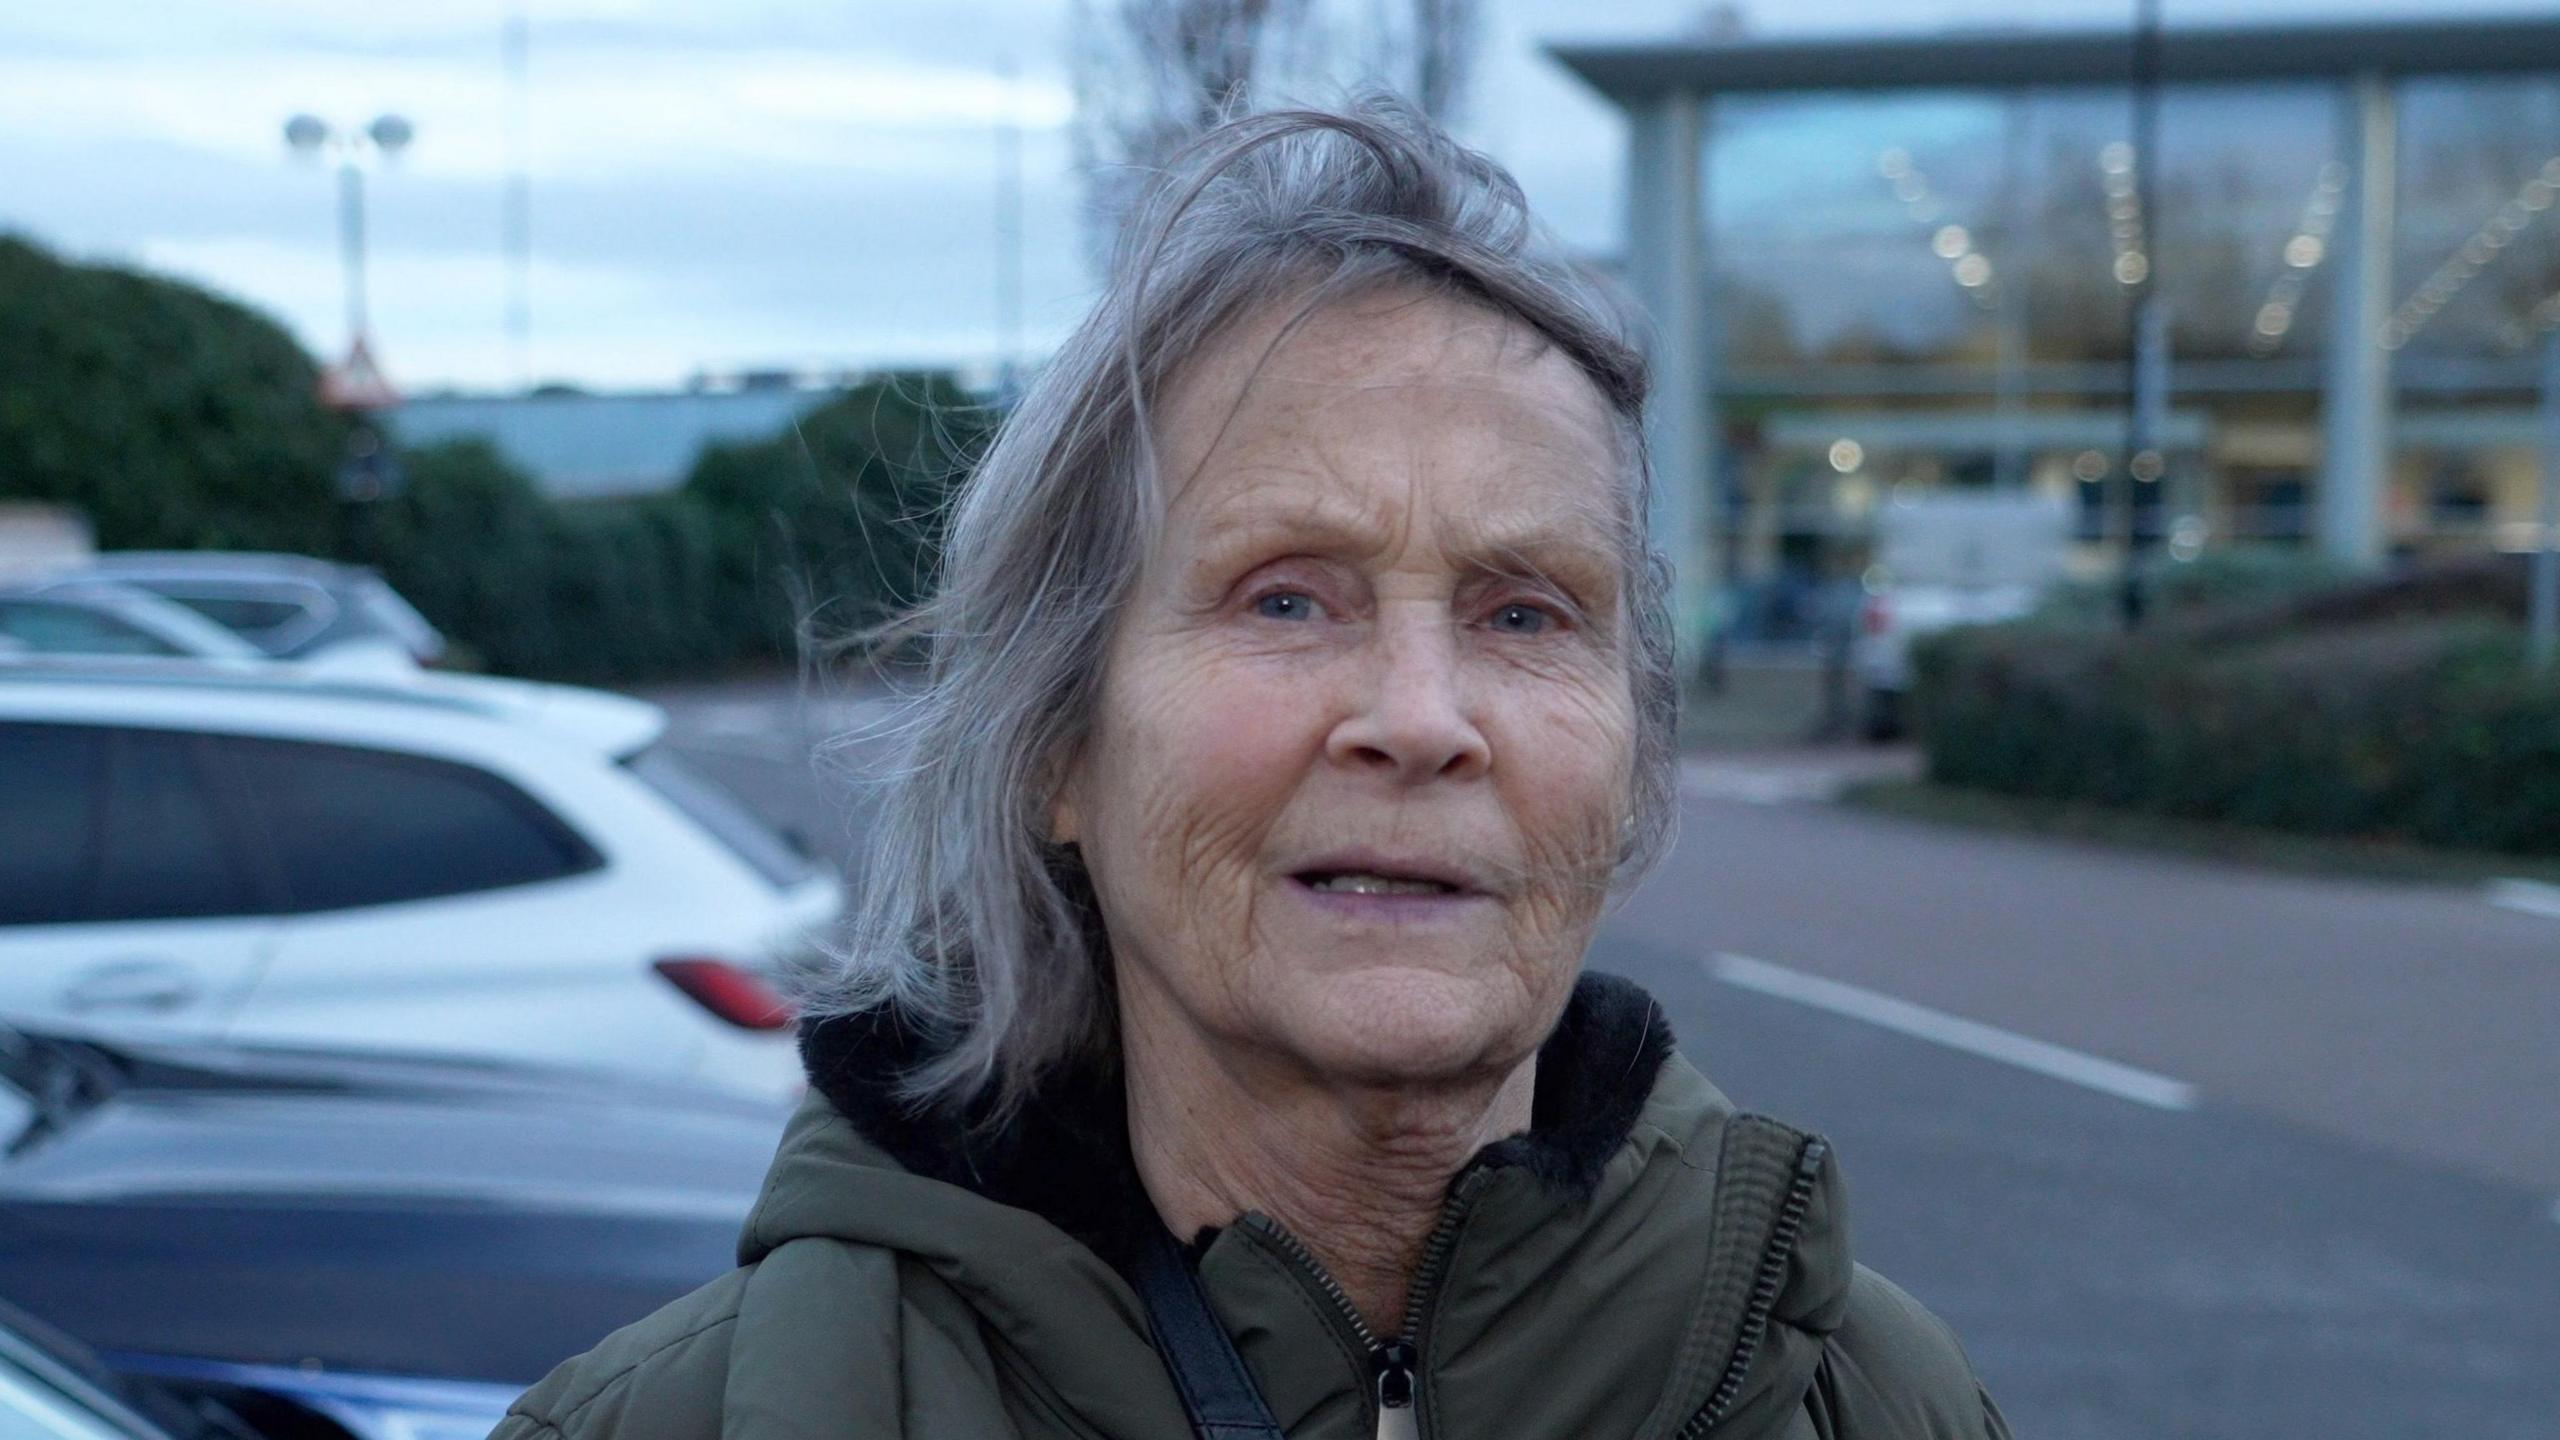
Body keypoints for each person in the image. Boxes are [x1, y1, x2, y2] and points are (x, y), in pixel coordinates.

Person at [490, 98, 2009, 1440]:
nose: (1420, 717)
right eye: (1286, 600)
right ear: (1059, 745)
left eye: (1524, 614)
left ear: (1627, 761)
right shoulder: (686, 1419)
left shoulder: (1875, 1403)